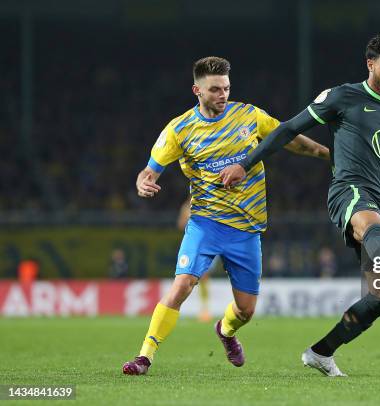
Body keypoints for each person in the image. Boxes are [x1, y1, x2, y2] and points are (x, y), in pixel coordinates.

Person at [220, 33, 380, 376]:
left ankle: (321, 352)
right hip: (349, 190)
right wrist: (245, 164)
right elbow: (289, 128)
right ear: (370, 65)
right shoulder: (342, 97)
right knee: (372, 227)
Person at [123, 56, 329, 375]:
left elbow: (287, 138)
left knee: (245, 311)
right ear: (197, 90)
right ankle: (144, 356)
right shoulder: (179, 130)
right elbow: (149, 171)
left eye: (227, 88)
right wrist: (143, 182)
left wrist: (325, 153)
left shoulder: (249, 116)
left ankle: (226, 331)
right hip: (205, 222)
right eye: (215, 89)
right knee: (184, 283)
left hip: (247, 229)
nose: (223, 94)